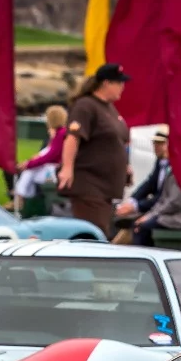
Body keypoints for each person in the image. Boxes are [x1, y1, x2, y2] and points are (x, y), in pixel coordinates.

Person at [58, 62, 130, 238]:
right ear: (106, 83)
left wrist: (125, 166)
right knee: (94, 234)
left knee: (102, 232)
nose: (123, 87)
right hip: (90, 185)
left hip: (106, 189)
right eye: (119, 83)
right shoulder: (86, 106)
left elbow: (118, 141)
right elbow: (73, 137)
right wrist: (67, 167)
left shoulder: (110, 109)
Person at [11, 104, 67, 212]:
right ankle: (22, 195)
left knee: (30, 170)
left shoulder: (60, 134)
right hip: (53, 169)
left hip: (53, 173)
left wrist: (29, 163)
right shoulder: (61, 133)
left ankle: (20, 196)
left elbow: (51, 155)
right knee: (30, 170)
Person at [117, 128, 170, 222]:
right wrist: (132, 200)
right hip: (159, 207)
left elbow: (163, 196)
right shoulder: (160, 162)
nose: (155, 146)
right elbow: (149, 184)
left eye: (160, 143)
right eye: (154, 143)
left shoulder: (174, 167)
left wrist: (136, 206)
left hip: (168, 211)